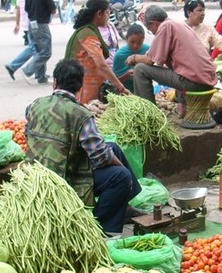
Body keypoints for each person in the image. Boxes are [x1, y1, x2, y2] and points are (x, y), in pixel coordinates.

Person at [25, 59, 141, 235]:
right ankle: (102, 230)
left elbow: (28, 134)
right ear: (80, 86)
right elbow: (101, 157)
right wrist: (124, 170)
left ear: (55, 82)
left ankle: (124, 206)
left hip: (35, 174)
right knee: (121, 176)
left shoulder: (34, 105)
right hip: (63, 180)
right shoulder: (81, 114)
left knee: (113, 147)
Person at [130, 5, 217, 117]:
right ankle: (182, 108)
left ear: (153, 24)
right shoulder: (178, 24)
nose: (153, 33)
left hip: (195, 83)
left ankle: (150, 114)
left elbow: (150, 60)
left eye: (150, 30)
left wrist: (134, 58)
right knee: (177, 68)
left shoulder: (165, 26)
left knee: (140, 69)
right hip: (207, 79)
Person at [63, 0, 130, 104]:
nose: (108, 17)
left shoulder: (89, 31)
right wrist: (121, 88)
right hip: (84, 87)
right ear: (99, 14)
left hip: (90, 84)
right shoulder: (88, 35)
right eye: (107, 13)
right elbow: (102, 65)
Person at [20, 0, 57, 84]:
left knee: (40, 50)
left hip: (32, 23)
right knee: (46, 52)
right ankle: (27, 70)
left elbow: (26, 9)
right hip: (41, 24)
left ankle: (41, 77)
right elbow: (53, 10)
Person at [5, 0, 40, 80]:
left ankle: (39, 74)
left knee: (37, 47)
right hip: (32, 20)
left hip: (28, 20)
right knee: (35, 48)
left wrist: (17, 23)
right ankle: (13, 66)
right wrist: (17, 23)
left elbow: (19, 7)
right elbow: (20, 7)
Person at [113, 24, 149, 92]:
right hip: (126, 92)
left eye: (139, 43)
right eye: (132, 42)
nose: (135, 46)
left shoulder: (147, 51)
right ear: (127, 38)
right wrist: (126, 75)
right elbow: (114, 82)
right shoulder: (119, 55)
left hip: (145, 90)